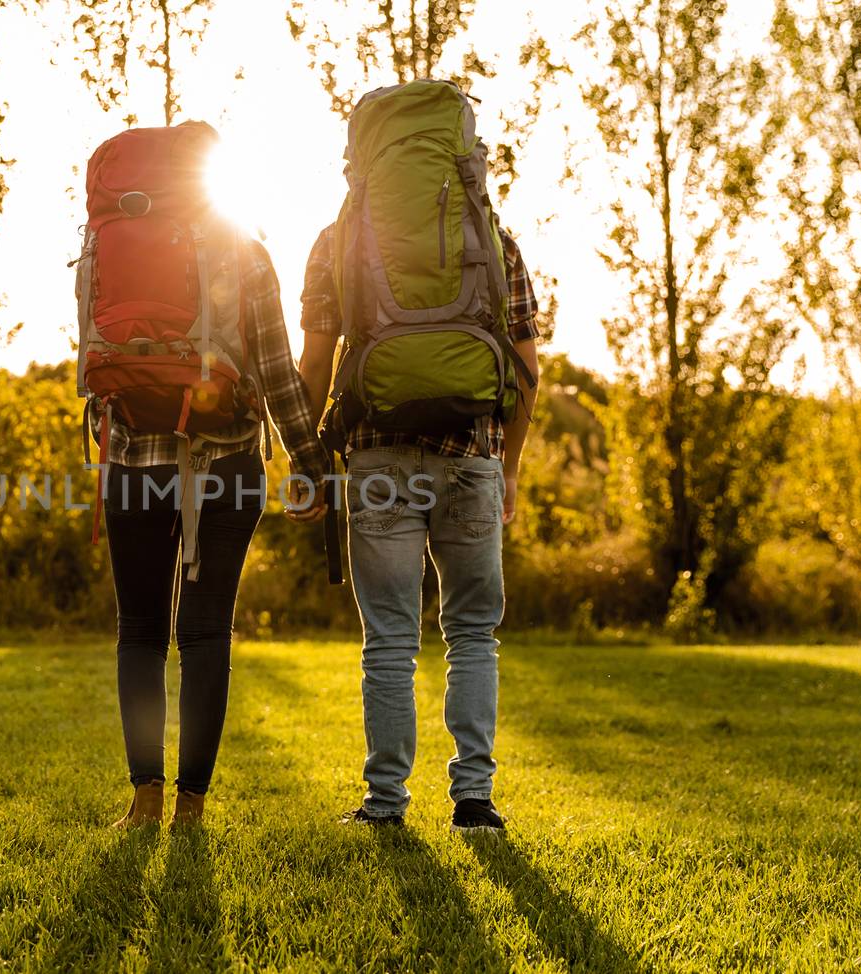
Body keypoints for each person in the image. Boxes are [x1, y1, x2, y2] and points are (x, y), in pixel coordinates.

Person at [297, 128, 542, 834]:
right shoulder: (491, 236)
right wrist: (511, 467)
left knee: (390, 640)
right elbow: (526, 368)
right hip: (473, 455)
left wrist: (304, 463)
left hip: (377, 460)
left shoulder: (336, 240)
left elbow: (313, 367)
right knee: (471, 633)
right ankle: (474, 801)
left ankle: (384, 805)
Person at [92, 201, 330, 831]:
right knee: (205, 631)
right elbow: (279, 372)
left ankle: (143, 802)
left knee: (139, 630)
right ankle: (189, 809)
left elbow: (96, 362)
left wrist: (109, 433)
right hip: (226, 462)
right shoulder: (244, 250)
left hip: (131, 460)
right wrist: (309, 462)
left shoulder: (108, 242)